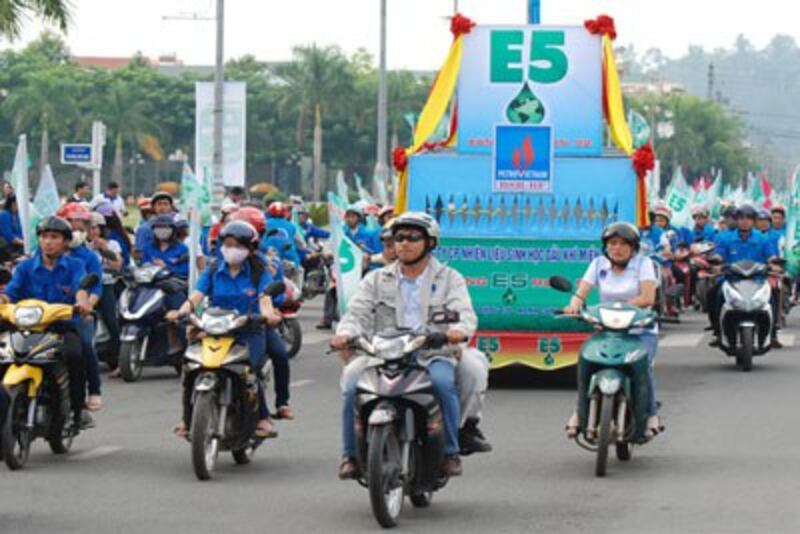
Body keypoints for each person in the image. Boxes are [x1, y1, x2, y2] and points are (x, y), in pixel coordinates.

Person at [331, 212, 491, 480]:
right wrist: (345, 334)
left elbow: (465, 314)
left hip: (432, 352)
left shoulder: (449, 278)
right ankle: (350, 455)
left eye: (413, 237)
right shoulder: (376, 279)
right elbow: (356, 314)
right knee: (351, 382)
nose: (404, 243)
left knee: (443, 383)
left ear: (430, 242)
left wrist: (456, 332)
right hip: (382, 353)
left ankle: (450, 451)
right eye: (399, 237)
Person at [168, 221, 282, 439]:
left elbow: (265, 298)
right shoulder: (213, 269)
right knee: (191, 367)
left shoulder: (259, 271)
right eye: (228, 244)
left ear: (250, 249)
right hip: (215, 329)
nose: (232, 249)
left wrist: (268, 315)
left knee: (250, 370)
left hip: (248, 330)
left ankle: (263, 417)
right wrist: (181, 311)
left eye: (238, 245)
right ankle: (187, 418)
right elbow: (197, 295)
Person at [562, 222, 662, 439]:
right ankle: (579, 412)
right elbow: (581, 293)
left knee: (642, 365)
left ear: (633, 247)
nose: (617, 248)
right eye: (613, 243)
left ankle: (651, 414)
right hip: (607, 329)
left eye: (624, 244)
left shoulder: (644, 264)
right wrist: (574, 304)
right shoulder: (598, 264)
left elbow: (647, 298)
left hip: (639, 329)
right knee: (586, 361)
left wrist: (619, 308)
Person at [0, 217, 93, 427]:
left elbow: (80, 288)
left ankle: (77, 409)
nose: (48, 242)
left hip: (59, 326)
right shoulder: (24, 267)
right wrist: (2, 300)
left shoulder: (75, 265)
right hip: (24, 326)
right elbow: (11, 292)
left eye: (54, 237)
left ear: (65, 242)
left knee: (76, 355)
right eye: (44, 237)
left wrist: (82, 303)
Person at [708, 205, 780, 348]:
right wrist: (716, 261)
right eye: (741, 218)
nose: (745, 221)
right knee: (713, 293)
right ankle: (717, 331)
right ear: (737, 220)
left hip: (758, 280)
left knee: (774, 294)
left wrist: (774, 264)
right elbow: (719, 254)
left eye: (749, 218)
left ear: (754, 221)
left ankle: (772, 333)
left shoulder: (763, 239)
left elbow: (771, 256)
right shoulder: (726, 238)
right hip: (732, 279)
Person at [57, 203, 104, 413]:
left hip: (76, 314)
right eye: (72, 223)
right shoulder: (40, 254)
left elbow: (95, 286)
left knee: (85, 346)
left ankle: (94, 390)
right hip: (46, 314)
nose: (77, 229)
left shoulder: (87, 257)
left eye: (81, 225)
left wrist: (87, 306)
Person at [87, 212, 123, 375]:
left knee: (112, 321)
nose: (92, 232)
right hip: (88, 288)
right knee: (89, 323)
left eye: (95, 228)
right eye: (89, 228)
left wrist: (104, 249)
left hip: (107, 285)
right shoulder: (81, 246)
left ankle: (117, 360)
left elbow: (117, 265)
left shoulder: (112, 244)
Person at [134, 192, 175, 261]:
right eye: (159, 204)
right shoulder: (144, 228)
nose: (162, 207)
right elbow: (140, 253)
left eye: (165, 204)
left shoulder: (176, 226)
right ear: (153, 207)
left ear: (170, 207)